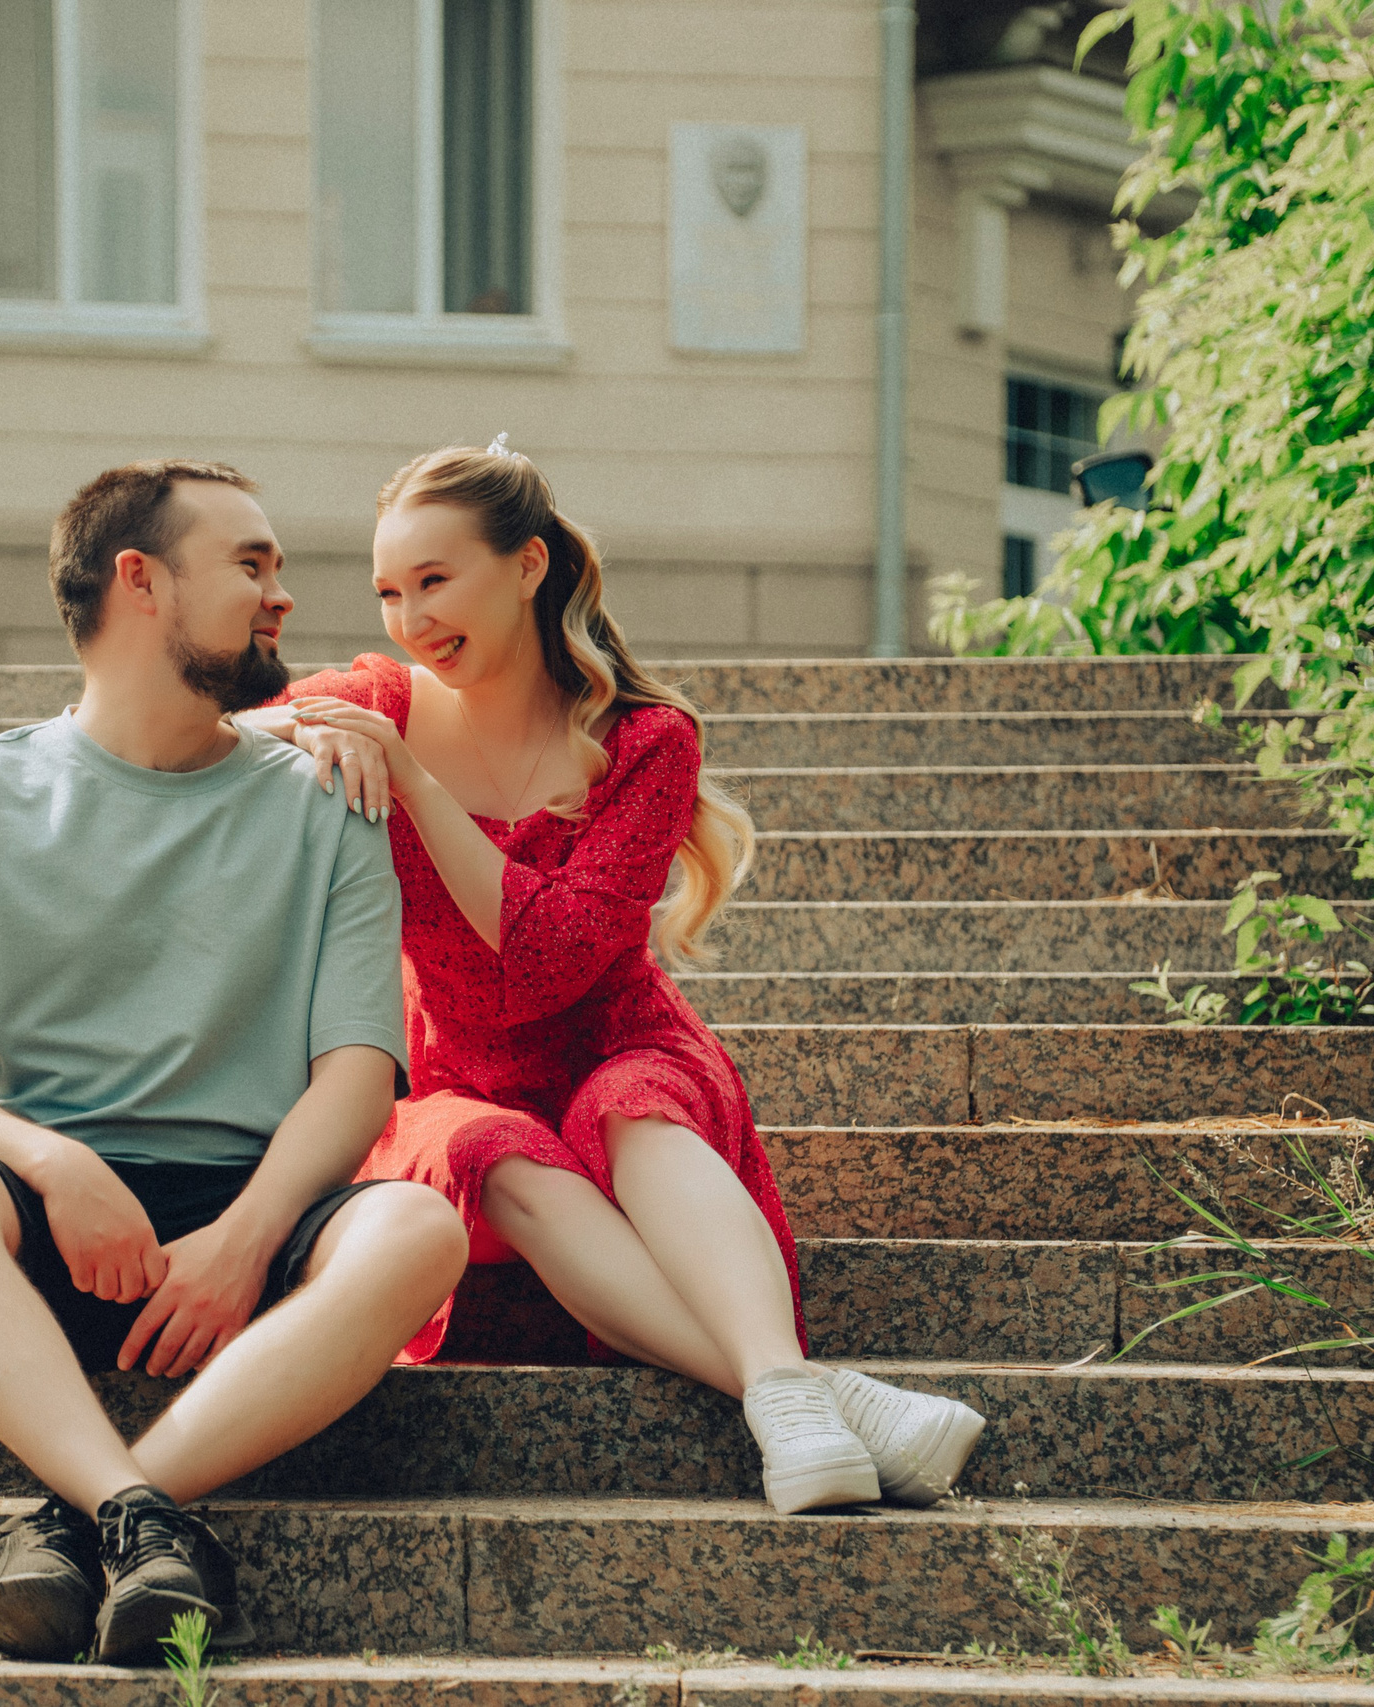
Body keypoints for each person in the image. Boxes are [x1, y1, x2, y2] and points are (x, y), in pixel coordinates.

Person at [0, 459, 468, 1665]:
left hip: (253, 1224)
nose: (283, 597)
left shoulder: (327, 799)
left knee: (419, 1231)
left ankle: (91, 1516)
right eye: (250, 565)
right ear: (140, 581)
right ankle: (145, 1527)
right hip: (55, 1226)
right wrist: (50, 1162)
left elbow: (359, 1072)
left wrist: (249, 1237)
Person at [239, 440, 984, 1516]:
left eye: (435, 581)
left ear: (529, 564)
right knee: (492, 1146)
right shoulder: (377, 697)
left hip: (616, 1044)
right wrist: (287, 725)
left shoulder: (645, 740)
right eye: (388, 592)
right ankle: (795, 1394)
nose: (408, 620)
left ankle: (789, 1402)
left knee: (629, 1108)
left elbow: (545, 958)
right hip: (450, 1074)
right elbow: (207, 744)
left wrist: (408, 778)